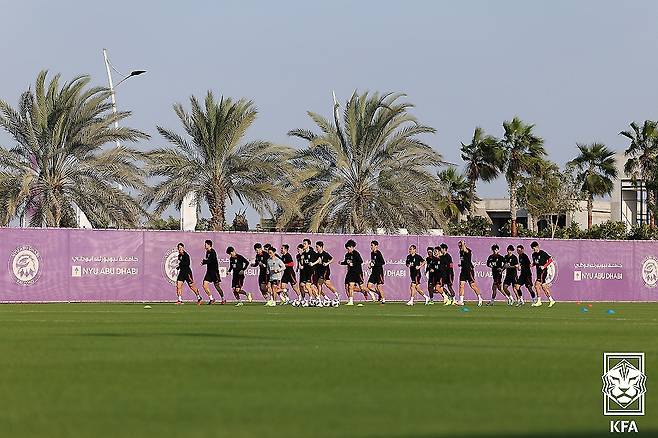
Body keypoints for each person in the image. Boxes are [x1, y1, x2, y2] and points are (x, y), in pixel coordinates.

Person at [530, 241, 557, 307]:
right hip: (538, 272)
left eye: (534, 248)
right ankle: (551, 300)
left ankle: (539, 301)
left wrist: (544, 266)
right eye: (532, 249)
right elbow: (535, 263)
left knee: (537, 285)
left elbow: (550, 260)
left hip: (543, 272)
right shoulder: (533, 255)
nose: (534, 250)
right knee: (543, 286)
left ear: (537, 247)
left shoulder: (543, 253)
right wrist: (531, 265)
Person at [457, 240, 483, 307]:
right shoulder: (460, 252)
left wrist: (463, 244)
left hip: (469, 270)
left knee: (473, 285)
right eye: (459, 246)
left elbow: (466, 251)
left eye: (460, 245)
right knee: (461, 285)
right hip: (463, 270)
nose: (459, 247)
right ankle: (461, 301)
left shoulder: (468, 250)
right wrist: (461, 265)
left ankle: (480, 298)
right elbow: (464, 260)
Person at [340, 239, 365, 306]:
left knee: (362, 287)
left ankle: (370, 292)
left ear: (352, 247)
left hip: (357, 272)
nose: (348, 250)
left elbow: (360, 261)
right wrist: (341, 263)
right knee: (350, 286)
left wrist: (353, 263)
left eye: (348, 248)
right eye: (347, 249)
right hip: (351, 272)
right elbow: (346, 262)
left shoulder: (356, 253)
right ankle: (351, 301)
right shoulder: (347, 255)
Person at [200, 239, 225, 305]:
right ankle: (211, 299)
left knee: (217, 286)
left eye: (205, 244)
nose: (204, 246)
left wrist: (204, 261)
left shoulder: (213, 252)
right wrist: (204, 262)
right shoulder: (207, 252)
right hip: (209, 272)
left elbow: (211, 261)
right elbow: (208, 261)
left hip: (214, 272)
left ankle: (223, 299)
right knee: (204, 285)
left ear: (209, 245)